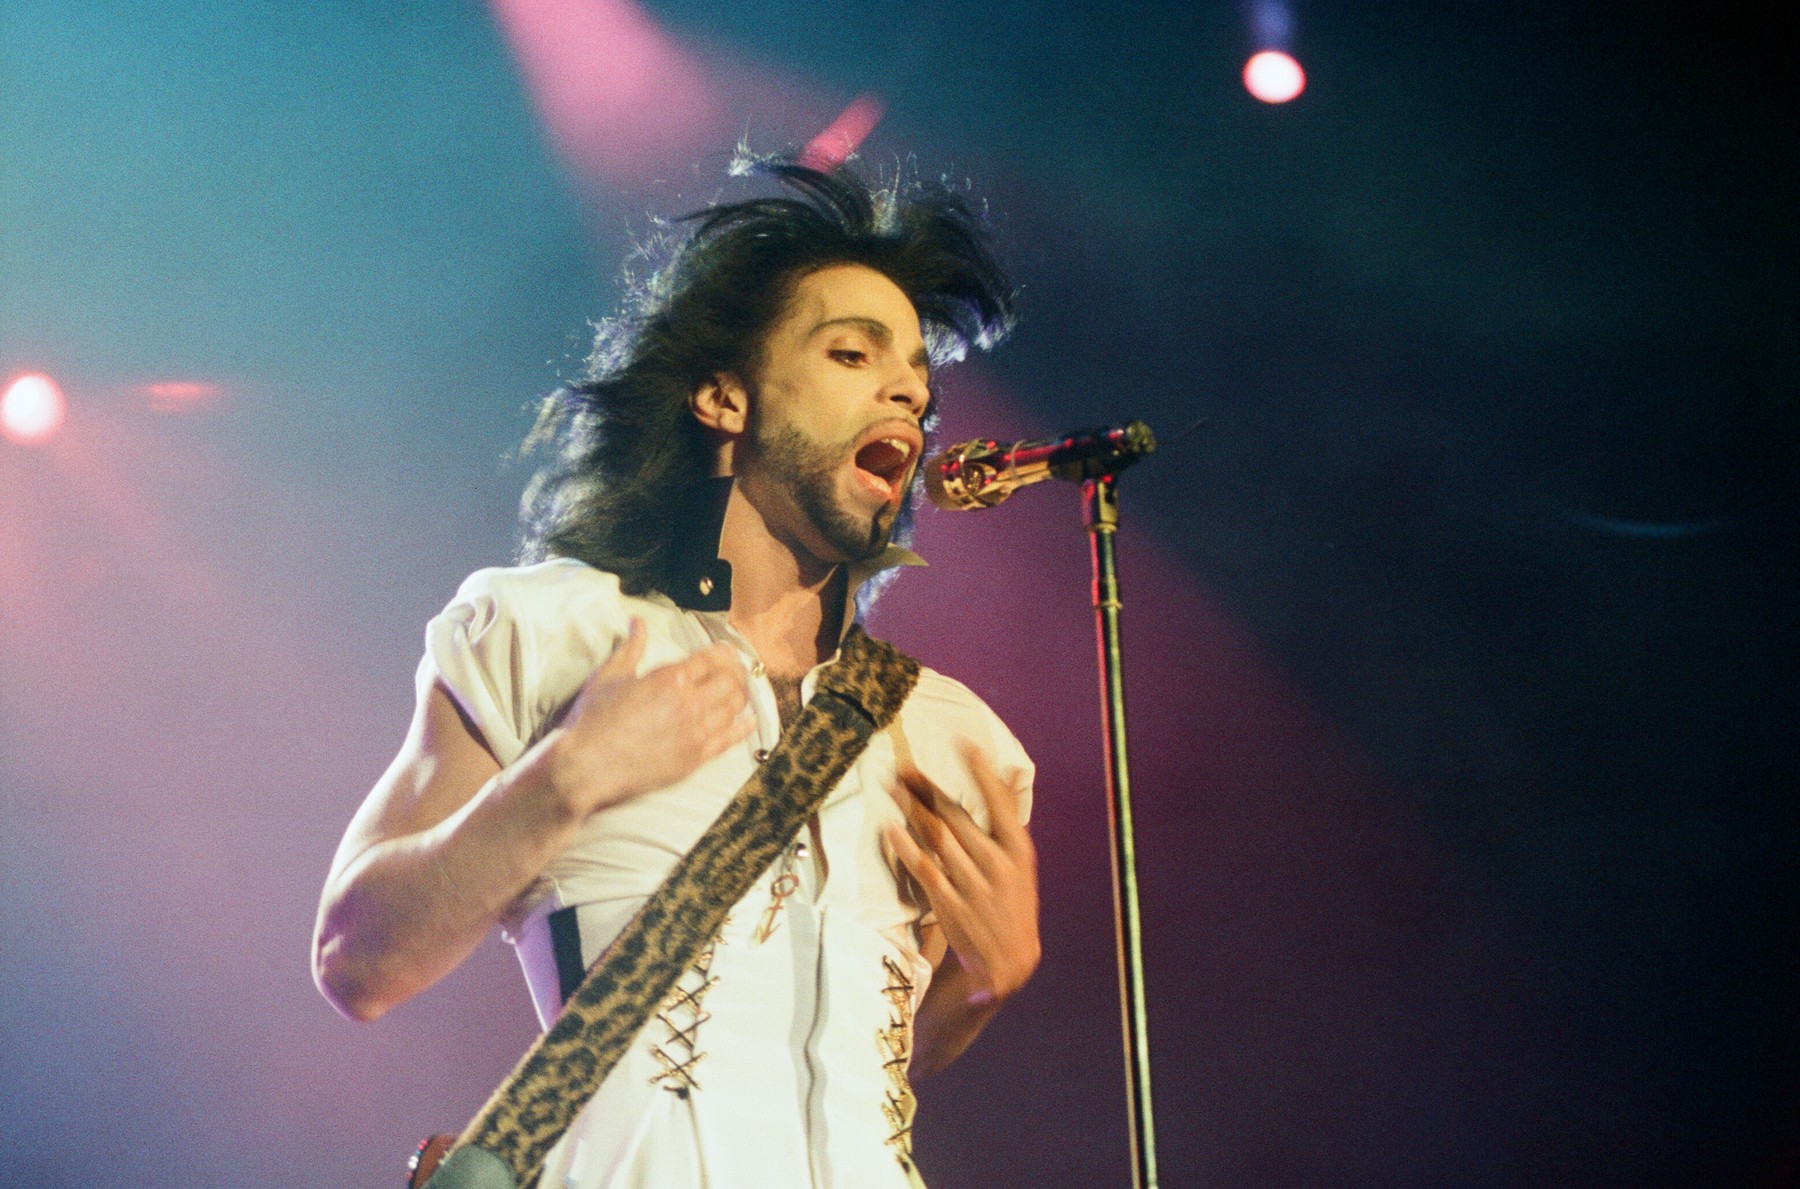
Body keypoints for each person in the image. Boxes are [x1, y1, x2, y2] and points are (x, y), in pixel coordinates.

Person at [311, 157, 1040, 1189]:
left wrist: (980, 986)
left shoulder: (952, 737)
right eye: (850, 351)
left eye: (919, 373)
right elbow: (359, 961)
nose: (909, 389)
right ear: (723, 396)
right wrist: (565, 779)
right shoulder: (555, 630)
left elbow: (828, 1076)